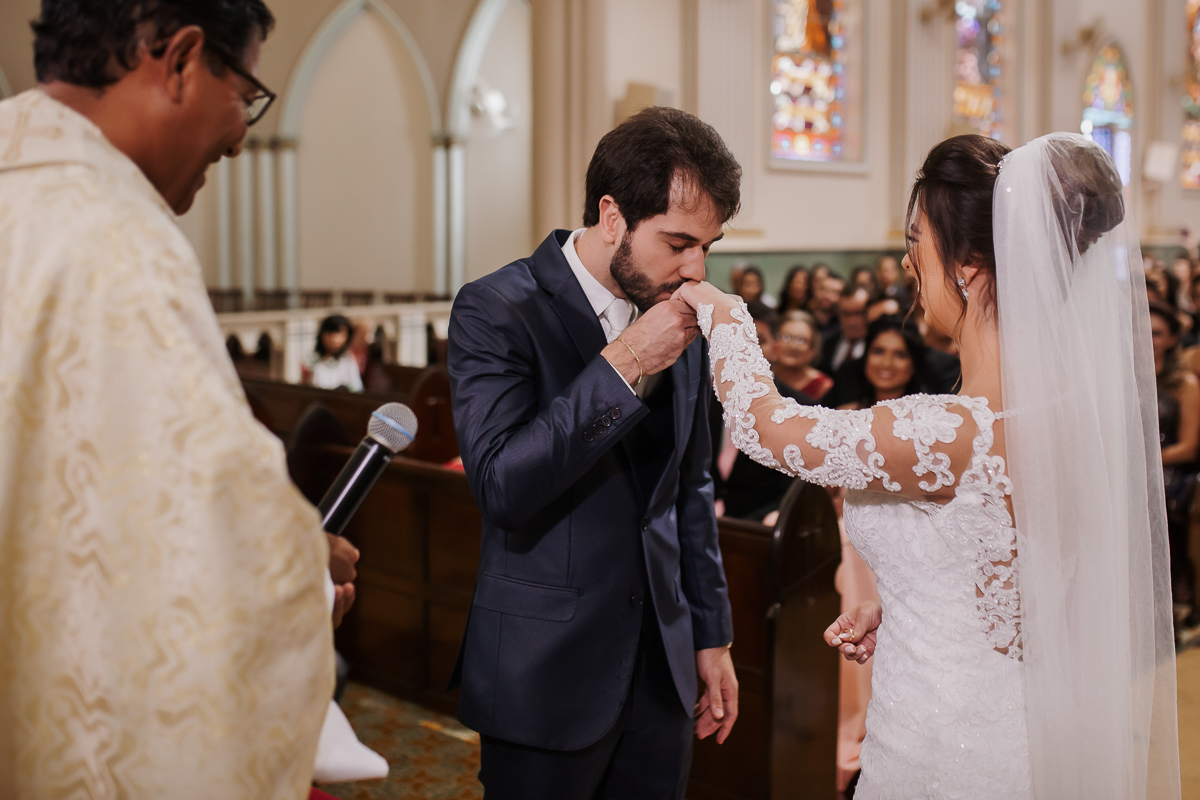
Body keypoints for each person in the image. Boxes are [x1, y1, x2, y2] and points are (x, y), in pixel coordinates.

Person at [676, 133, 1180, 797]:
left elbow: (767, 429)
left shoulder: (948, 432)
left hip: (947, 754)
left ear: (968, 265)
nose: (907, 262)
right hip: (1017, 728)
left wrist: (721, 310)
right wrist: (914, 603)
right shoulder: (1068, 413)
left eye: (917, 241)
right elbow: (1026, 579)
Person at [0, 1, 345, 796]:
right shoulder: (116, 244)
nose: (241, 136)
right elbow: (211, 568)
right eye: (246, 94)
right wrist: (303, 568)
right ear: (183, 60)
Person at [447, 106, 740, 800]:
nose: (696, 269)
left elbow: (690, 486)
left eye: (708, 245)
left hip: (661, 670)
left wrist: (711, 634)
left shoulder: (678, 309)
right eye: (678, 242)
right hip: (545, 671)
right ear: (613, 217)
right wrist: (626, 361)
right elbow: (502, 486)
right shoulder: (496, 308)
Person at [712, 303, 814, 521]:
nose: (745, 348)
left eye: (758, 339)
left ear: (775, 350)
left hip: (758, 526)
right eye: (737, 338)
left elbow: (792, 490)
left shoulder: (798, 407)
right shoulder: (706, 397)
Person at [1150, 302, 1200, 641]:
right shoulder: (1126, 378)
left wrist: (1147, 459)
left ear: (1171, 338)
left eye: (1157, 333)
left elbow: (1189, 446)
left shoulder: (1184, 382)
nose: (1149, 338)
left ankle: (1174, 607)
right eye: (1143, 331)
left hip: (1168, 474)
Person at [832, 316, 928, 409]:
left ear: (914, 363)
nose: (887, 363)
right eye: (878, 352)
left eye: (900, 355)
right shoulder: (844, 415)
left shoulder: (928, 416)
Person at [773, 310, 833, 402]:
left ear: (813, 349)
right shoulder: (762, 375)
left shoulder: (823, 386)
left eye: (801, 340)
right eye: (786, 337)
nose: (792, 346)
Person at [304, 314, 364, 392]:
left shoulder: (347, 360)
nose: (335, 339)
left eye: (340, 335)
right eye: (330, 334)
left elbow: (356, 388)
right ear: (322, 335)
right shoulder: (313, 360)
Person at [820, 285, 870, 374]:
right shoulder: (826, 344)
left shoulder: (877, 347)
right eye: (846, 314)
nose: (852, 322)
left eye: (859, 313)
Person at [808, 271, 844, 337]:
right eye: (824, 289)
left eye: (835, 292)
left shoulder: (844, 325)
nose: (827, 296)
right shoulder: (801, 317)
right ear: (815, 290)